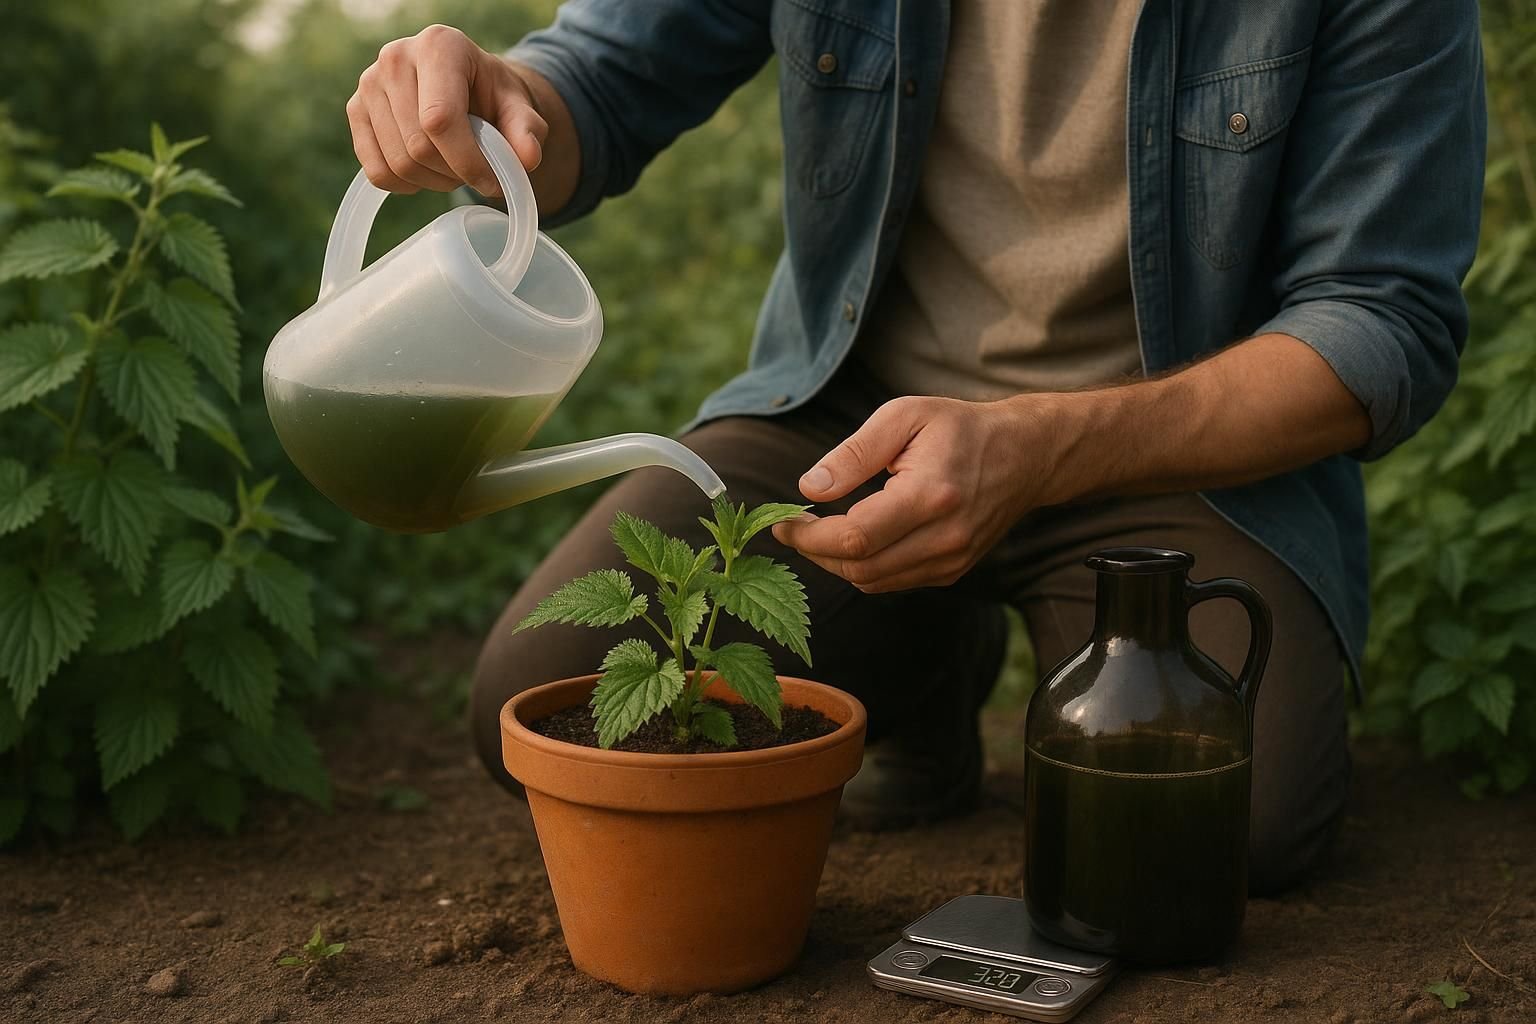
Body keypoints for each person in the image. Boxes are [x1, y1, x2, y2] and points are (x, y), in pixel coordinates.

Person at [347, 1, 1485, 894]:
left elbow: (1381, 319)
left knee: (1218, 826)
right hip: (848, 419)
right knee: (559, 711)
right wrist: (502, 104)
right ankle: (930, 653)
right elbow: (603, 74)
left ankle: (938, 625)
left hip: (1158, 459)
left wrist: (1041, 449)